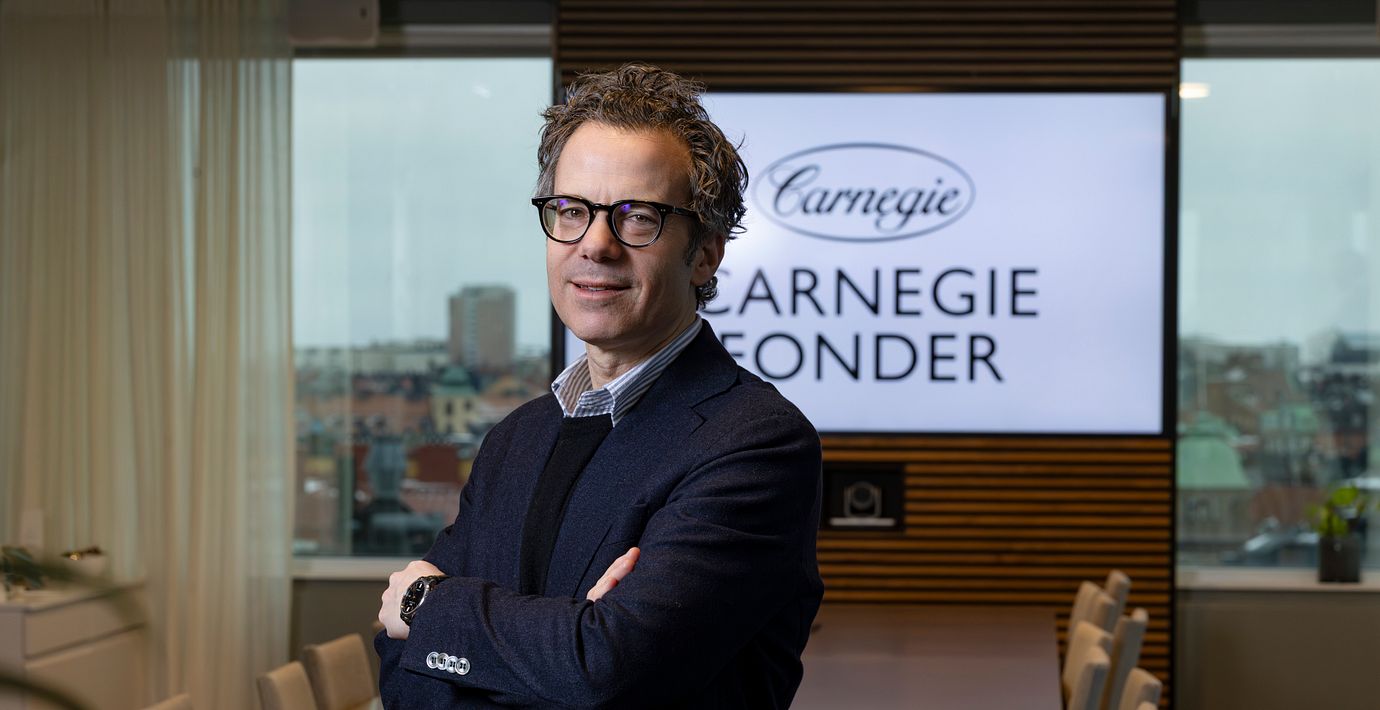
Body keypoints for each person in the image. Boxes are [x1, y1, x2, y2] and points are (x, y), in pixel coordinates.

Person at [375, 63, 823, 709]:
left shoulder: (755, 445)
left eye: (638, 217)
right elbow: (400, 668)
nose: (596, 245)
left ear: (704, 254)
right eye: (571, 211)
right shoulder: (516, 439)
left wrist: (430, 608)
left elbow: (608, 669)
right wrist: (556, 648)